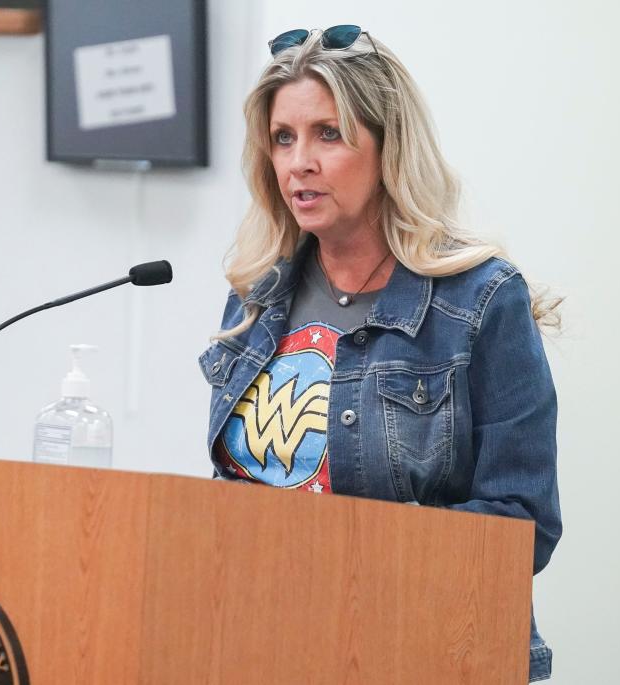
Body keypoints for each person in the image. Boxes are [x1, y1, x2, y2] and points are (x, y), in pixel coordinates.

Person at [198, 25, 561, 682]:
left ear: (388, 147)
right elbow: (236, 490)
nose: (297, 162)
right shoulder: (257, 294)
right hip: (265, 646)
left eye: (327, 135)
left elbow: (523, 524)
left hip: (426, 653)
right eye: (284, 137)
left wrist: (345, 558)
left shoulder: (482, 299)